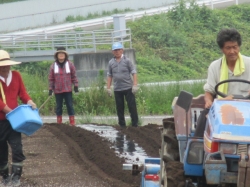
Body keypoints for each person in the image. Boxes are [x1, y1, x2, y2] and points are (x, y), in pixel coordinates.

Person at [195, 28, 250, 137]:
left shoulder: (249, 63)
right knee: (203, 117)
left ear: (239, 47)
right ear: (222, 49)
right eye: (228, 48)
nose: (232, 51)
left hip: (247, 110)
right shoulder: (215, 66)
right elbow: (209, 92)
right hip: (223, 110)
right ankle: (199, 149)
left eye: (235, 47)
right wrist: (209, 102)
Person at [0, 50, 37, 186]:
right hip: (1, 121)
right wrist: (10, 112)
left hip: (14, 122)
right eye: (2, 65)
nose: (5, 67)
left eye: (7, 65)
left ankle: (16, 177)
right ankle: (5, 177)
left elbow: (23, 93)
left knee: (17, 148)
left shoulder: (16, 76)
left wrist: (29, 102)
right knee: (1, 150)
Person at [106, 42, 139, 128]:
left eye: (118, 50)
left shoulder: (127, 61)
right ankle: (122, 125)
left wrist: (135, 85)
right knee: (120, 108)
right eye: (115, 50)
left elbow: (134, 72)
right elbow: (109, 75)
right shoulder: (111, 62)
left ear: (122, 50)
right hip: (117, 89)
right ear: (112, 52)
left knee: (132, 107)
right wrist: (108, 88)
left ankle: (135, 124)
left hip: (128, 88)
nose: (117, 52)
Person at [48, 47, 79, 126]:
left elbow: (74, 76)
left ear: (65, 55)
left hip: (68, 89)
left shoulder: (70, 64)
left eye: (63, 54)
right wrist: (50, 89)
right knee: (58, 107)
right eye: (59, 54)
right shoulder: (53, 66)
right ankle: (59, 124)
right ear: (57, 55)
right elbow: (51, 79)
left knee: (70, 106)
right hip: (57, 90)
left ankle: (72, 123)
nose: (61, 55)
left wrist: (75, 86)